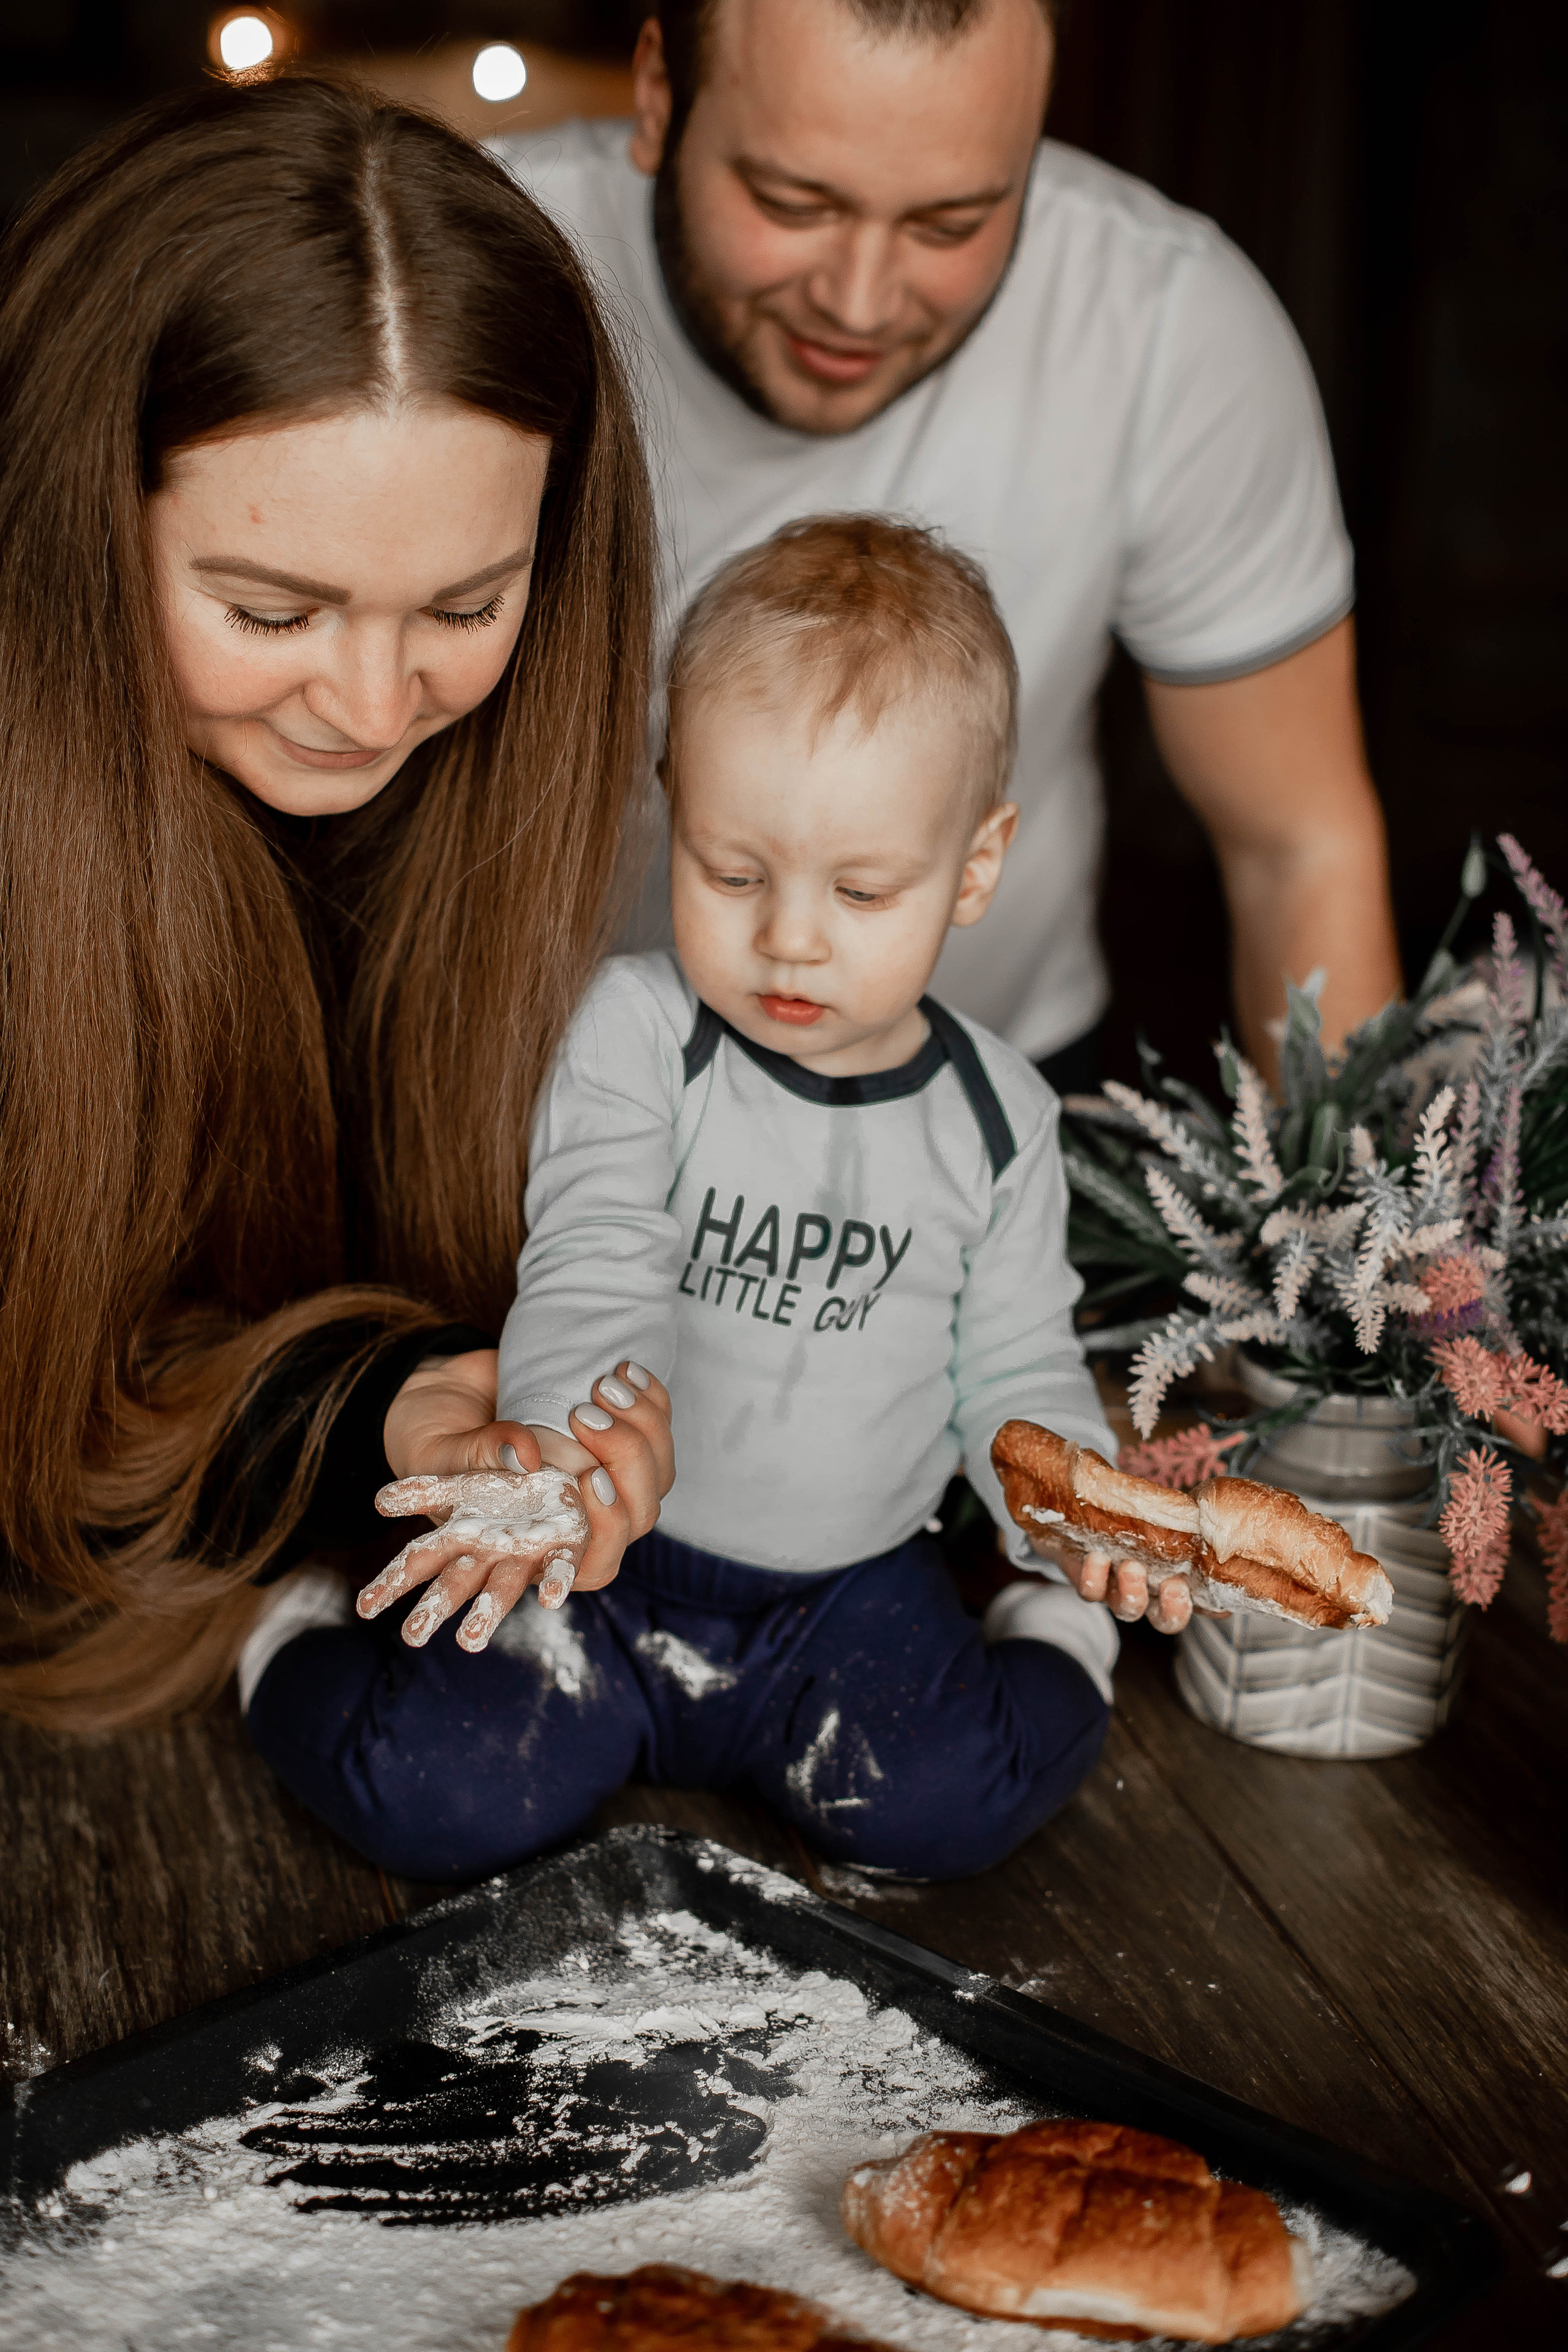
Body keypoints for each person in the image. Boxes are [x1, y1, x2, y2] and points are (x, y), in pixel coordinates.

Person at [292, 516, 1128, 1882]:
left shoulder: (1000, 1118)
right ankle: (289, 1639)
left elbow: (1018, 1364)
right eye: (731, 872)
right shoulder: (640, 1032)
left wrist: (1073, 1515)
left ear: (975, 864)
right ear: (674, 805)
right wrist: (572, 1461)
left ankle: (1050, 1645)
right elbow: (596, 1251)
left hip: (844, 1592)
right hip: (616, 1568)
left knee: (939, 1806)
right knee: (438, 1797)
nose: (787, 936)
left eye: (861, 890)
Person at [0, 74, 673, 1733]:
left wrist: (465, 1404)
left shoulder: (490, 783)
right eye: (268, 608)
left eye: (465, 602)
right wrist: (371, 1407)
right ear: (84, 532)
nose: (371, 706)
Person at [496, 0, 1401, 1099]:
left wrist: (1385, 1246)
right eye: (794, 202)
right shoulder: (478, 259)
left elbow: (1294, 844)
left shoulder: (1169, 323)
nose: (859, 301)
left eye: (951, 224)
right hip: (515, 1083)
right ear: (656, 97)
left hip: (987, 1081)